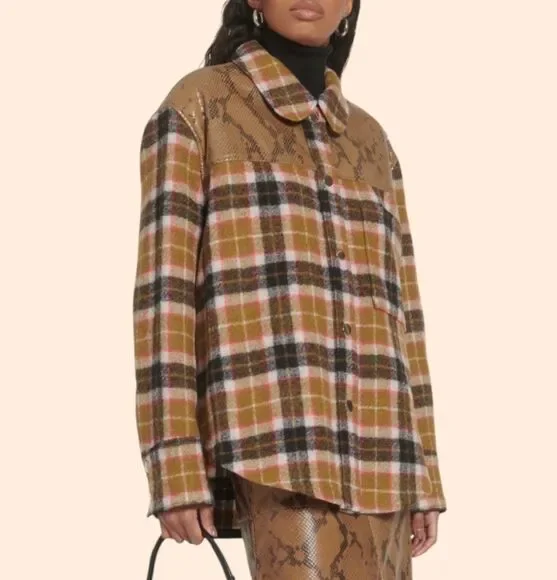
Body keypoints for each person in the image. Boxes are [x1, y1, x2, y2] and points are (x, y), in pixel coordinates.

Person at [132, 0, 447, 577]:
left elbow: (405, 316)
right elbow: (164, 298)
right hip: (275, 446)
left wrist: (423, 469)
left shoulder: (371, 140)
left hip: (386, 458)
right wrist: (173, 464)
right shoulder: (201, 107)